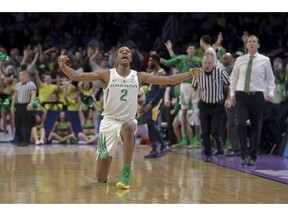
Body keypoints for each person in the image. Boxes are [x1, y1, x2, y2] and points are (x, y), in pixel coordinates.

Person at [57, 46, 202, 190]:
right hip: (108, 122)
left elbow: (169, 79)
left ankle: (126, 172)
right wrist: (64, 67)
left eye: (127, 52)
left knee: (128, 126)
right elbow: (78, 76)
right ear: (116, 57)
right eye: (121, 51)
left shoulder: (139, 76)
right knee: (100, 178)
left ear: (131, 58)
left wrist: (189, 74)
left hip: (127, 121)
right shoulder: (107, 74)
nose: (125, 52)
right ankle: (107, 161)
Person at [229, 35, 275, 166]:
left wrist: (270, 93)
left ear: (258, 45)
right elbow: (233, 78)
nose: (252, 44)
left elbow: (270, 80)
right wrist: (232, 93)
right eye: (250, 42)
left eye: (254, 42)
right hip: (242, 95)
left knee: (256, 127)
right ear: (246, 44)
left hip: (258, 96)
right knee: (241, 124)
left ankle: (252, 156)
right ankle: (244, 155)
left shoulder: (265, 60)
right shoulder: (240, 60)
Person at [160, 41, 202, 147]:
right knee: (183, 112)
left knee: (197, 112)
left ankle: (197, 138)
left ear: (195, 51)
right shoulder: (182, 58)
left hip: (196, 85)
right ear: (187, 50)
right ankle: (184, 139)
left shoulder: (199, 60)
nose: (192, 50)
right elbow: (170, 62)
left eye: (193, 48)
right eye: (190, 48)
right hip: (184, 86)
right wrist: (159, 59)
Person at [191, 53, 230, 162]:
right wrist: (193, 93)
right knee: (204, 133)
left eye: (209, 63)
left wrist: (228, 98)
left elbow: (229, 84)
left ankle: (219, 143)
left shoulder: (220, 72)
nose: (206, 65)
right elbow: (193, 87)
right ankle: (208, 154)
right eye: (205, 63)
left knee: (215, 131)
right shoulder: (198, 73)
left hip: (217, 106)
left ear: (213, 63)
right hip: (204, 105)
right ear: (202, 63)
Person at [142, 54, 168, 158]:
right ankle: (154, 148)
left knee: (151, 123)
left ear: (156, 62)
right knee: (149, 125)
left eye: (150, 61)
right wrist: (145, 103)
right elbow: (149, 91)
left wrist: (151, 104)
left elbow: (161, 91)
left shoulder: (162, 73)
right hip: (148, 101)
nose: (148, 63)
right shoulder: (152, 73)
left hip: (156, 103)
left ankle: (162, 144)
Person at [11, 70, 37, 146]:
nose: (20, 77)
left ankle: (26, 141)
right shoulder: (17, 85)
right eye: (19, 75)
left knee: (27, 124)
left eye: (21, 75)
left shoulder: (31, 84)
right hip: (19, 105)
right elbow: (15, 96)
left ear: (25, 76)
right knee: (17, 124)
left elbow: (33, 94)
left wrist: (31, 103)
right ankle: (21, 140)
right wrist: (12, 105)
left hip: (27, 105)